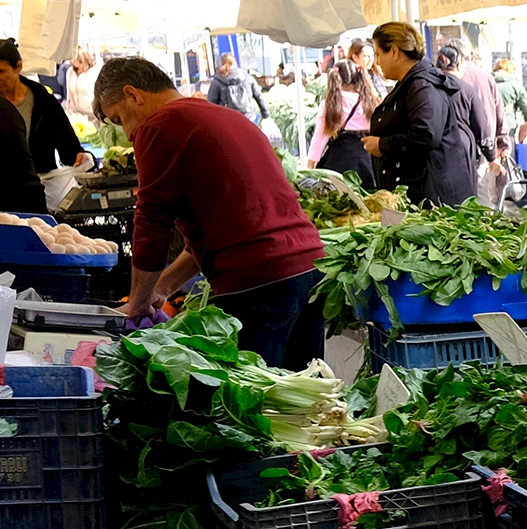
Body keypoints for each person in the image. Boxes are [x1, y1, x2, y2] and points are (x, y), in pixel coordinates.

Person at [96, 57, 327, 367]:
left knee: (255, 400)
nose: (126, 134)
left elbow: (152, 222)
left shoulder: (159, 125)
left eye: (119, 118)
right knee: (304, 396)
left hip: (258, 280)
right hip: (309, 267)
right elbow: (219, 229)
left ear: (133, 95)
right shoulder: (226, 117)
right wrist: (162, 287)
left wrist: (137, 302)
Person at [363, 21, 478, 207]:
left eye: (378, 54)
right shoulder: (411, 83)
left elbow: (426, 134)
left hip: (434, 200)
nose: (376, 62)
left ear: (394, 52)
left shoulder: (422, 86)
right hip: (423, 194)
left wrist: (382, 144)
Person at [0, 39, 91, 214]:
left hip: (38, 196)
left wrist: (81, 156)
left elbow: (69, 148)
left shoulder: (43, 102)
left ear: (18, 66)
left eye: (1, 71)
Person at [437, 43, 506, 202]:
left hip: (435, 151)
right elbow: (481, 126)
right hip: (464, 151)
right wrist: (491, 156)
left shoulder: (427, 87)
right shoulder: (467, 89)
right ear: (460, 64)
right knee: (473, 196)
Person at [313, 60, 378, 185]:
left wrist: (312, 160)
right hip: (369, 158)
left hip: (340, 159)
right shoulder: (371, 100)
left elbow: (320, 134)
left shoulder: (331, 102)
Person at [204, 54, 266, 126]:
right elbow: (259, 96)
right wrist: (266, 115)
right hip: (249, 117)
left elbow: (211, 103)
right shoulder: (247, 77)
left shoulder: (218, 81)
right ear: (235, 63)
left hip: (228, 119)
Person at [492, 57, 527, 143]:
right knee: (508, 153)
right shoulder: (515, 85)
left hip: (490, 127)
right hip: (508, 127)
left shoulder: (487, 83)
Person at [62, 50, 98, 123]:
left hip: (92, 114)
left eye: (76, 59)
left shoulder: (94, 72)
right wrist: (68, 110)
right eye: (72, 59)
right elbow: (68, 92)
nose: (73, 61)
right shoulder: (70, 71)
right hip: (75, 114)